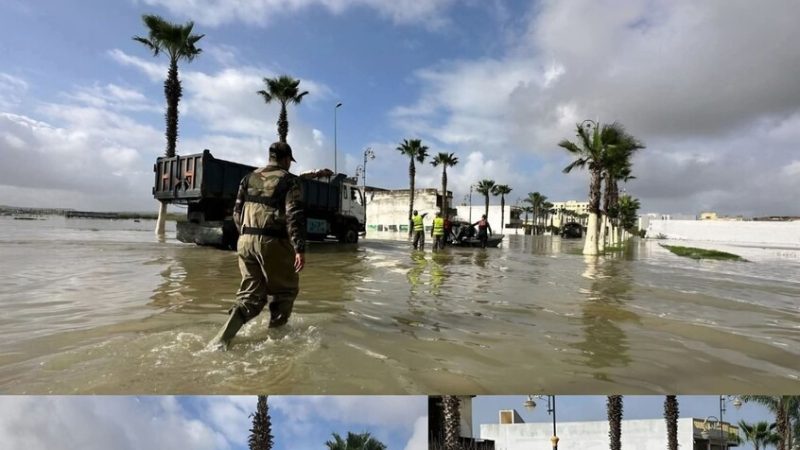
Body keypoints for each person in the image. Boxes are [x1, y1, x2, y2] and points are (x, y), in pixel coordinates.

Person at [210, 141, 306, 351]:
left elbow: (236, 212)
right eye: (290, 160)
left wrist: (246, 236)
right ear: (286, 159)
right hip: (273, 241)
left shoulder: (248, 178)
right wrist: (299, 248)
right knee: (285, 292)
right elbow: (294, 215)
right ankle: (276, 341)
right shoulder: (290, 181)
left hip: (244, 241)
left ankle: (220, 340)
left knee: (250, 296)